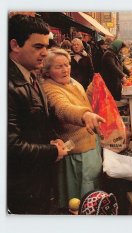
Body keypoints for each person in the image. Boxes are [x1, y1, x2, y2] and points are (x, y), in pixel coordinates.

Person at [8, 14, 68, 214]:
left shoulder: (32, 76)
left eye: (46, 46)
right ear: (15, 45)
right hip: (21, 190)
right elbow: (11, 146)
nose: (45, 53)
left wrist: (53, 140)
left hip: (37, 183)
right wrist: (51, 152)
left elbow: (39, 122)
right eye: (38, 47)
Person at [41, 48, 106, 211]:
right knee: (78, 198)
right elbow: (63, 108)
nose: (65, 69)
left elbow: (83, 101)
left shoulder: (71, 81)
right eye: (58, 67)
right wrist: (85, 115)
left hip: (90, 145)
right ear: (47, 71)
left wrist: (93, 89)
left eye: (67, 64)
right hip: (76, 153)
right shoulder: (50, 88)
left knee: (92, 188)